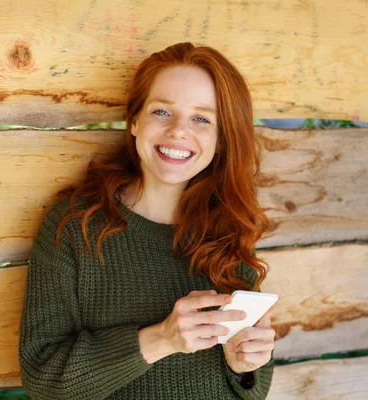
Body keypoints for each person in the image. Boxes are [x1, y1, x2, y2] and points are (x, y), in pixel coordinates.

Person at [19, 42, 275, 399]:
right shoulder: (75, 226)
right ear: (135, 121)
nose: (178, 131)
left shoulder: (228, 229)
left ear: (220, 141)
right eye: (161, 112)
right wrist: (162, 338)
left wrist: (245, 365)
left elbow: (254, 388)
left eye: (201, 118)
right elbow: (43, 379)